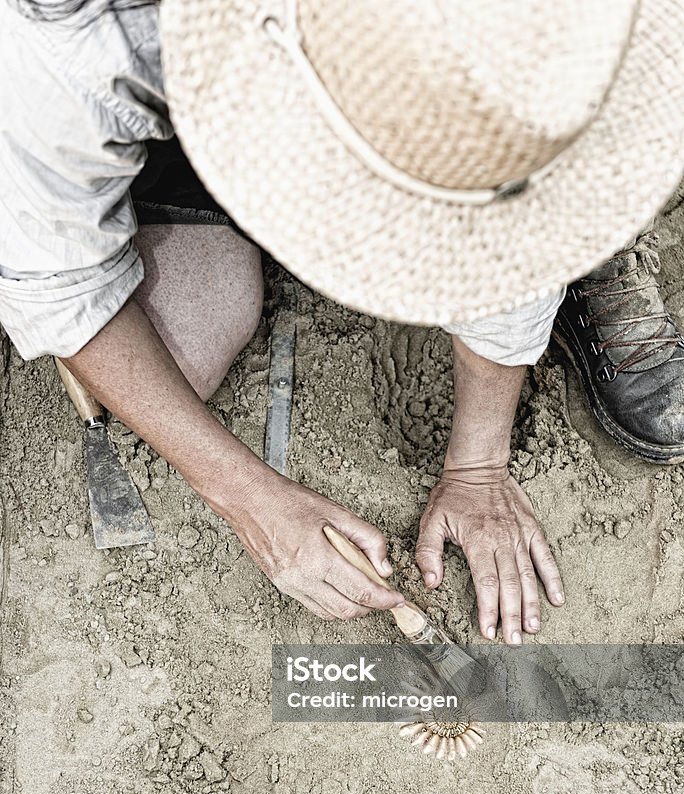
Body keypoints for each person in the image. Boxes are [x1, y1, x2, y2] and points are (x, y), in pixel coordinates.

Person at [1, 0, 683, 647]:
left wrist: (478, 463)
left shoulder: (533, 37)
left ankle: (594, 248)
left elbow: (520, 210)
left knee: (535, 196)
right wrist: (255, 504)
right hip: (164, 102)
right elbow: (61, 285)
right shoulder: (74, 45)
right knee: (176, 359)